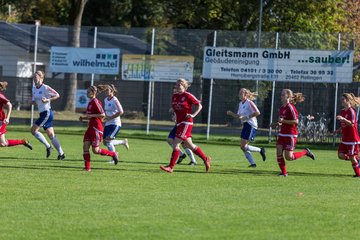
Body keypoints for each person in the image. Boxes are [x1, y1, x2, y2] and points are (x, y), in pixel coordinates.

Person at [160, 78, 211, 173]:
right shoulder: (174, 96)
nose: (178, 85)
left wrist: (193, 115)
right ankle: (205, 159)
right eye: (177, 84)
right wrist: (173, 113)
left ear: (184, 86)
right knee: (189, 145)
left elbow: (200, 105)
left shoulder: (188, 95)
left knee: (176, 143)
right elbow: (176, 108)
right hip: (179, 123)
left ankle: (171, 167)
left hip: (186, 122)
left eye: (180, 84)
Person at [270, 89, 315, 177]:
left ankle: (305, 152)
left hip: (290, 134)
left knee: (289, 157)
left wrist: (283, 121)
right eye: (281, 94)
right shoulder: (282, 108)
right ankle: (284, 173)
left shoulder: (291, 107)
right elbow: (282, 121)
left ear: (288, 96)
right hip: (282, 133)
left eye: (283, 94)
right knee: (278, 152)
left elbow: (296, 121)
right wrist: (276, 124)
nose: (281, 96)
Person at [79, 85, 119, 172]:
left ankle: (113, 154)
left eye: (88, 92)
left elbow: (102, 114)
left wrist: (91, 116)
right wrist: (84, 118)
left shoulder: (96, 102)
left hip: (96, 128)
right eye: (87, 91)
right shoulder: (90, 102)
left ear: (93, 93)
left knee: (95, 150)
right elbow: (91, 116)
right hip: (90, 128)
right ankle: (87, 168)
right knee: (85, 147)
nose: (87, 93)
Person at [226, 88, 266, 168]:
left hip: (251, 125)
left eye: (241, 93)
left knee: (243, 146)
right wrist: (231, 114)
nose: (239, 94)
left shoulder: (249, 102)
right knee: (243, 146)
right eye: (239, 93)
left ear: (246, 95)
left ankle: (260, 150)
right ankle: (253, 163)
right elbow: (239, 117)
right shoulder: (241, 104)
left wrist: (247, 117)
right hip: (245, 125)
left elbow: (257, 112)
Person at [31, 70, 65, 160]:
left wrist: (47, 100)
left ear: (41, 77)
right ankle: (61, 153)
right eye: (33, 77)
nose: (34, 78)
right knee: (51, 135)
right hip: (42, 113)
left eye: (36, 77)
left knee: (33, 130)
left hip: (47, 113)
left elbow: (57, 95)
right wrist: (33, 102)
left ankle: (48, 146)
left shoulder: (45, 87)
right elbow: (35, 101)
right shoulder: (34, 88)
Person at [0, 81, 32, 150]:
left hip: (1, 121)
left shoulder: (0, 96)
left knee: (3, 144)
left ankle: (23, 142)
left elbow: (9, 105)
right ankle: (23, 142)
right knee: (3, 144)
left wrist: (7, 118)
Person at [335, 93, 360, 177]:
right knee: (340, 155)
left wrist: (343, 118)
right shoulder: (342, 111)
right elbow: (344, 125)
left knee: (352, 157)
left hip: (352, 139)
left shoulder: (351, 111)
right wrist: (338, 130)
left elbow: (352, 124)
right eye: (341, 99)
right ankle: (357, 159)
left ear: (348, 100)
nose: (341, 101)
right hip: (345, 139)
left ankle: (358, 174)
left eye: (343, 99)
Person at [101, 84, 129, 161]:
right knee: (105, 142)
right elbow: (107, 111)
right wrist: (105, 118)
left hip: (115, 123)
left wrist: (110, 117)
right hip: (108, 123)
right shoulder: (105, 99)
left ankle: (113, 159)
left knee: (108, 141)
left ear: (112, 91)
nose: (106, 92)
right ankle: (123, 142)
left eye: (107, 90)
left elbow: (121, 111)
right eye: (105, 90)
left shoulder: (115, 100)